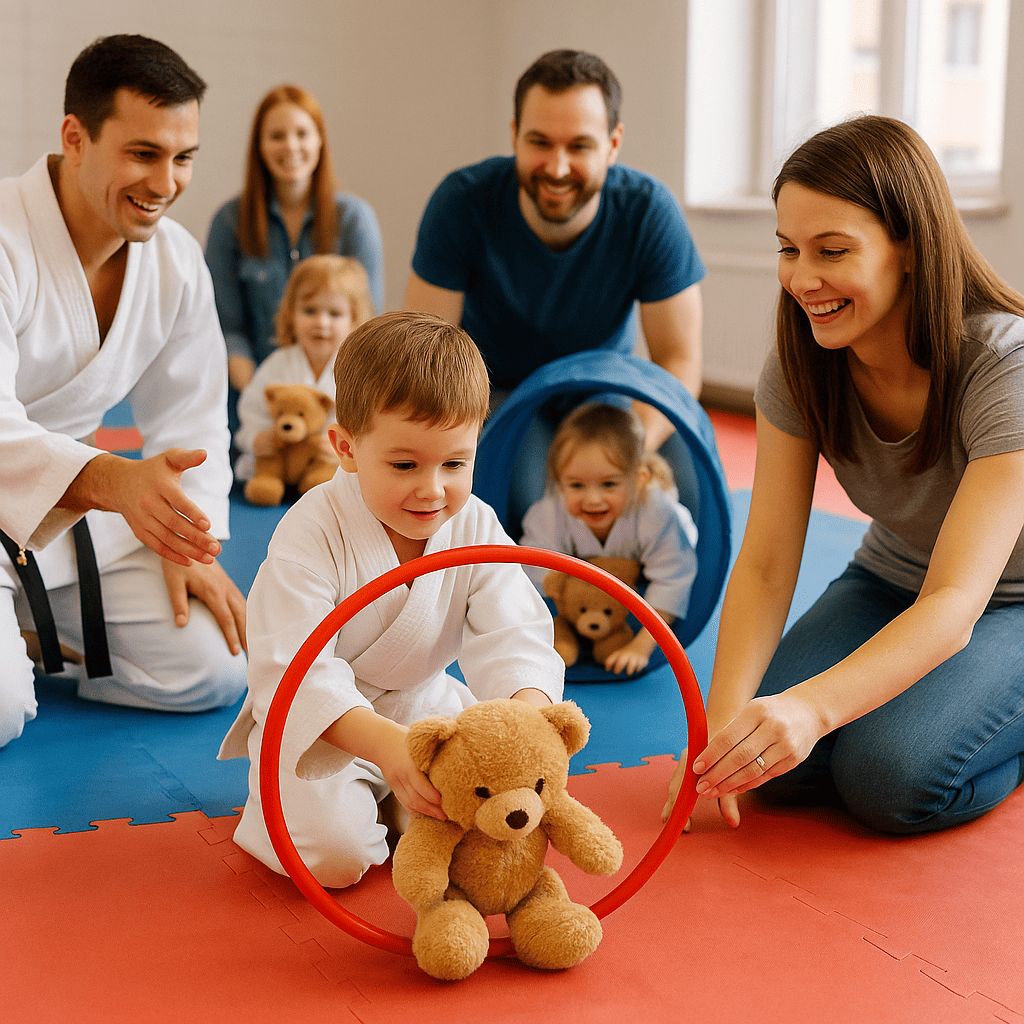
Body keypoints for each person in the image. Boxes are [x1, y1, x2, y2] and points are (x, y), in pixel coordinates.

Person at [663, 115, 1024, 836]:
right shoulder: (801, 364)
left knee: (885, 779)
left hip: (1006, 603)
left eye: (832, 250)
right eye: (788, 249)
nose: (802, 279)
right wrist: (721, 730)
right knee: (771, 763)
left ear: (912, 248)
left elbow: (956, 599)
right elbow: (766, 563)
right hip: (888, 581)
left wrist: (814, 707)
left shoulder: (1005, 366)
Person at [218, 310, 564, 887]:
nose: (432, 489)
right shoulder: (312, 531)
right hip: (326, 727)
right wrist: (384, 748)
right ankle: (300, 799)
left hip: (424, 710)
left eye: (456, 463)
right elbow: (292, 668)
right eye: (404, 464)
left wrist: (525, 721)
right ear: (345, 448)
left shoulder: (474, 524)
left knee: (496, 823)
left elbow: (515, 631)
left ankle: (392, 799)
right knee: (335, 857)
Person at [0, 34, 247, 749]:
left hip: (69, 519)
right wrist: (114, 482)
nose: (166, 182)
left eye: (184, 157)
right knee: (2, 709)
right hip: (59, 492)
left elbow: (193, 421)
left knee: (217, 666)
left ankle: (37, 642)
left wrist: (185, 542)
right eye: (144, 154)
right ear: (75, 138)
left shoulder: (174, 260)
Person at [404, 49, 704, 453]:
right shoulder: (461, 202)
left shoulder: (649, 211)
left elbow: (679, 361)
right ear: (514, 136)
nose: (557, 168)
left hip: (603, 391)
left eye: (580, 146)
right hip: (496, 393)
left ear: (613, 145)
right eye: (540, 142)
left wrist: (630, 450)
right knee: (533, 492)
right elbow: (426, 356)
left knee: (685, 488)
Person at [205, 85, 384, 417]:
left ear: (320, 140)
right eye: (276, 136)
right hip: (251, 397)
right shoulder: (229, 222)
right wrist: (266, 396)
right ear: (259, 145)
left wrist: (322, 399)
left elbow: (366, 324)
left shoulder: (354, 220)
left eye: (302, 133)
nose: (290, 146)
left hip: (336, 398)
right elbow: (226, 328)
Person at [520, 403, 697, 675]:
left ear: (637, 480)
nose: (592, 499)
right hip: (585, 598)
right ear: (558, 482)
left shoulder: (657, 514)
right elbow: (535, 571)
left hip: (653, 558)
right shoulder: (550, 512)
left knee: (676, 555)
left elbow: (673, 579)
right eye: (576, 485)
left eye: (609, 484)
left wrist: (640, 646)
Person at [234, 254, 374, 482]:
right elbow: (251, 408)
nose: (321, 322)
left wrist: (348, 451)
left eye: (335, 314)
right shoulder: (279, 363)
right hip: (282, 465)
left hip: (331, 471)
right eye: (310, 311)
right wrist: (257, 439)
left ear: (354, 319)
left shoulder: (361, 371)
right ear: (291, 315)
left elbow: (372, 425)